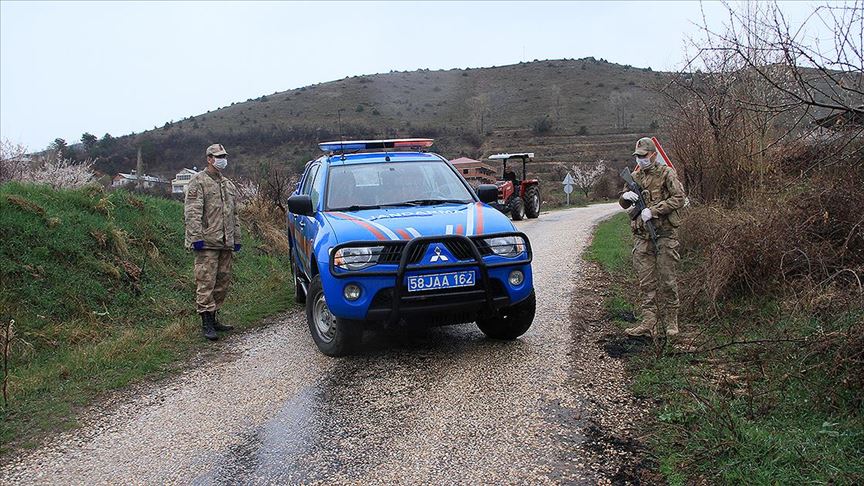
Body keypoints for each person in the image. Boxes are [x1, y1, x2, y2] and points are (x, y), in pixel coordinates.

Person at [619, 137, 686, 338]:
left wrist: (655, 210)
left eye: (644, 156)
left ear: (654, 155)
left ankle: (671, 322)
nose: (641, 160)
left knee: (667, 279)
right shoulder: (635, 177)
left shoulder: (667, 173)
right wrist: (625, 198)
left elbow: (679, 198)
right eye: (638, 157)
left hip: (665, 234)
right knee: (646, 282)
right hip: (642, 236)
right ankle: (649, 322)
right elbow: (624, 203)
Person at [184, 143, 242, 341]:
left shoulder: (227, 184)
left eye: (224, 156)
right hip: (207, 242)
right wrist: (196, 238)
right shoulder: (198, 181)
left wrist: (236, 238)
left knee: (222, 282)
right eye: (218, 157)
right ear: (209, 159)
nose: (222, 160)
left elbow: (234, 214)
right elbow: (192, 212)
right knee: (206, 282)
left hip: (225, 242)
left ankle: (215, 317)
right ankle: (206, 322)